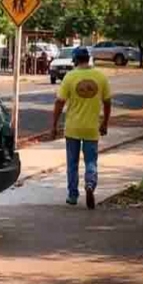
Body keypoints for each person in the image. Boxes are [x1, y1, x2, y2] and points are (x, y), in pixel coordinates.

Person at [51, 47, 112, 209]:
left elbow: (59, 102)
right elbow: (107, 102)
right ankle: (90, 185)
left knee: (72, 163)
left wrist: (54, 125)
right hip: (91, 129)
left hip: (73, 128)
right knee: (91, 161)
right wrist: (105, 122)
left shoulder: (70, 77)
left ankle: (72, 195)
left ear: (76, 61)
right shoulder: (100, 77)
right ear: (88, 59)